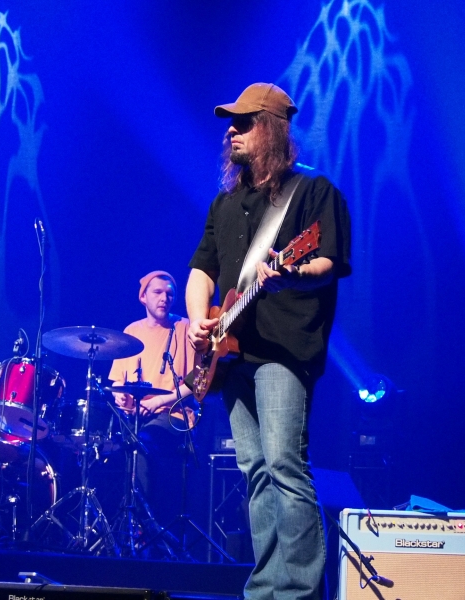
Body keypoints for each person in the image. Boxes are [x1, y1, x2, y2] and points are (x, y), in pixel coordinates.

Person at [186, 83, 351, 600]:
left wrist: (291, 273)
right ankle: (265, 589)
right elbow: (201, 270)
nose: (231, 132)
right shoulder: (225, 202)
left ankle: (299, 590)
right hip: (231, 353)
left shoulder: (314, 191)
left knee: (284, 464)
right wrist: (197, 320)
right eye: (229, 124)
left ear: (272, 129)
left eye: (243, 122)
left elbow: (327, 262)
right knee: (255, 471)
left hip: (283, 348)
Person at [108, 270, 197, 529]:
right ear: (143, 297)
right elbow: (117, 383)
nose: (164, 298)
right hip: (136, 417)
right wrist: (120, 397)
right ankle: (122, 527)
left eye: (169, 294)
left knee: (141, 444)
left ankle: (142, 528)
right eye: (158, 292)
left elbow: (197, 382)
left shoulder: (185, 328)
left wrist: (158, 402)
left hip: (174, 416)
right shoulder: (131, 331)